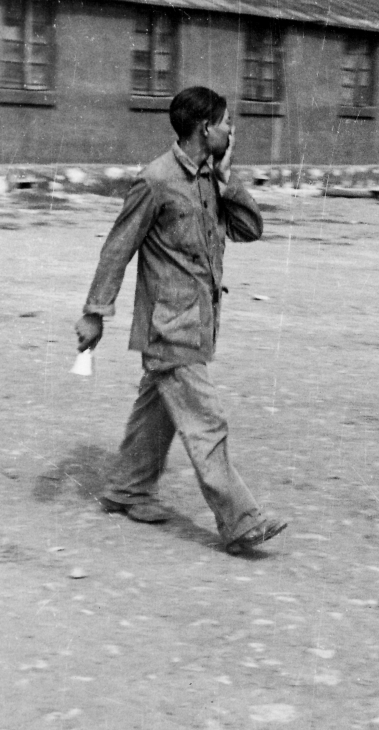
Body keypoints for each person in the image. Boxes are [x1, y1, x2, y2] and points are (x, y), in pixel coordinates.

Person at [74, 85, 286, 554]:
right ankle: (241, 520)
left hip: (198, 320)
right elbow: (118, 248)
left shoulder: (211, 178)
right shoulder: (155, 179)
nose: (232, 130)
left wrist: (228, 180)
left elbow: (250, 229)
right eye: (227, 123)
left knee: (158, 410)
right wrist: (95, 312)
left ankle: (127, 489)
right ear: (205, 128)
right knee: (206, 420)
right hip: (169, 325)